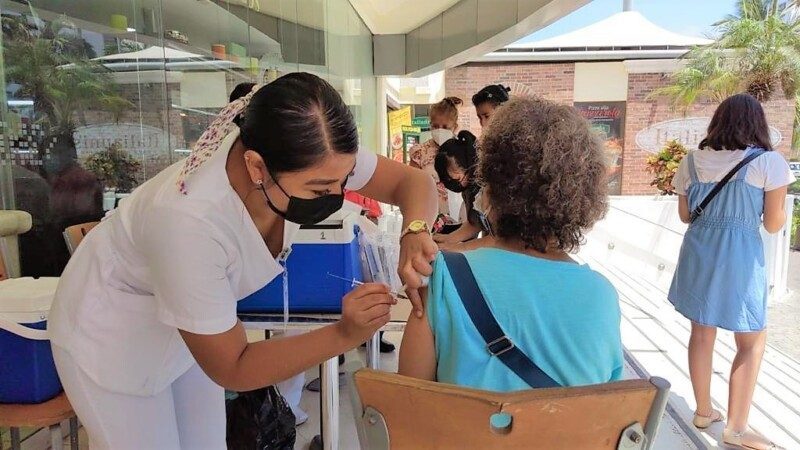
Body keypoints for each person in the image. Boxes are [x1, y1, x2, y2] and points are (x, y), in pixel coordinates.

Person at [47, 73, 438, 449]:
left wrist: (415, 230)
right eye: (319, 189)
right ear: (256, 167)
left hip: (185, 329)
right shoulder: (189, 222)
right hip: (112, 331)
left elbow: (412, 183)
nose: (338, 194)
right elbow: (234, 366)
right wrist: (343, 335)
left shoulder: (313, 151)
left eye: (346, 179)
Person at [399, 96, 623, 391]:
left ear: (490, 186)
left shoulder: (442, 279)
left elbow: (407, 406)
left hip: (462, 437)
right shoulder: (601, 296)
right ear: (584, 197)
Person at [668, 94, 793, 450]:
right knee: (751, 340)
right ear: (758, 123)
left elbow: (684, 216)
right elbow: (772, 225)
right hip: (739, 257)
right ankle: (736, 428)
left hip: (698, 251)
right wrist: (780, 211)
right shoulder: (769, 162)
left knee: (702, 332)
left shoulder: (691, 161)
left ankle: (704, 411)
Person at [408, 97, 463, 224]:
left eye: (445, 127)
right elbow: (411, 186)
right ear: (430, 125)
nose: (440, 130)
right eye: (436, 126)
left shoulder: (462, 151)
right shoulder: (420, 152)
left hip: (460, 215)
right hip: (428, 216)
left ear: (454, 127)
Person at [432, 131, 483, 247]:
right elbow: (474, 224)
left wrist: (458, 247)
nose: (454, 185)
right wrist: (447, 239)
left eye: (457, 179)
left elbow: (497, 240)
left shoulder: (488, 188)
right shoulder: (468, 188)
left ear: (469, 166)